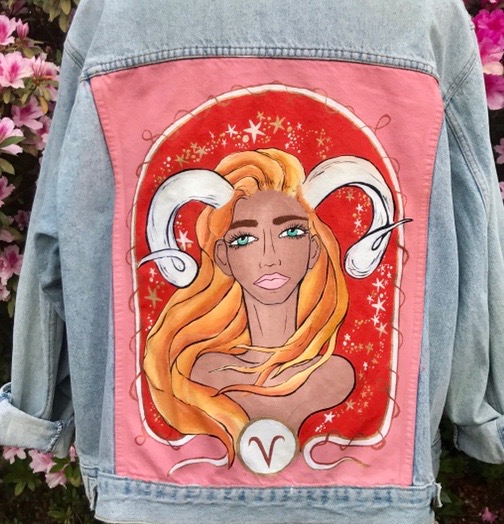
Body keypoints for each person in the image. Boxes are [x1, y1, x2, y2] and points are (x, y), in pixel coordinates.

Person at [141, 147, 403, 470]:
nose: (269, 257)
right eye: (244, 239)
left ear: (313, 249)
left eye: (291, 232)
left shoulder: (336, 374)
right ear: (223, 257)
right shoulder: (201, 372)